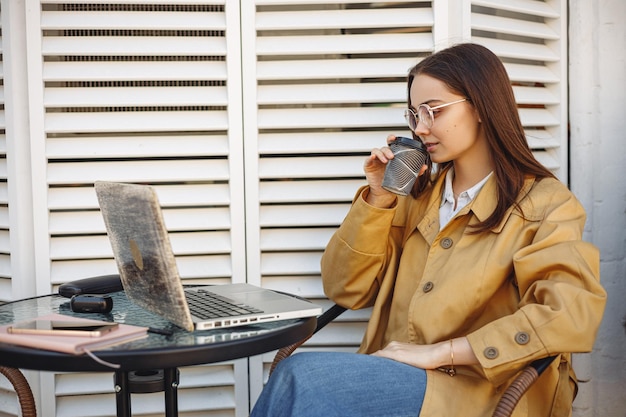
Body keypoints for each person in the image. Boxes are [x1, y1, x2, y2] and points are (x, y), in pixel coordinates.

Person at [250, 43, 606, 417]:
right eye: (414, 114)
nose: (420, 128)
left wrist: (439, 353)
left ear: (482, 106)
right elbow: (345, 289)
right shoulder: (414, 198)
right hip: (396, 377)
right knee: (300, 384)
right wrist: (379, 197)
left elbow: (570, 315)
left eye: (433, 111)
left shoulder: (547, 204)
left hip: (485, 391)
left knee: (301, 377)